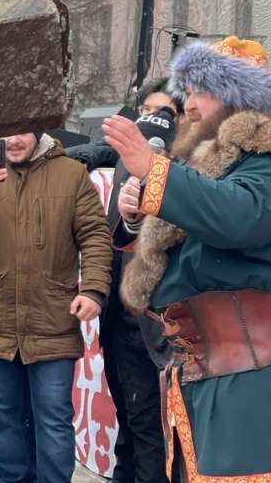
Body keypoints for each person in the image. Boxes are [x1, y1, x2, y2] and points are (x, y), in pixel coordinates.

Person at [105, 36, 271, 480]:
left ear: (237, 96)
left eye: (198, 91)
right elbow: (186, 241)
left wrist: (154, 174)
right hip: (208, 375)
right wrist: (136, 218)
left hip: (254, 381)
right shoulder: (210, 170)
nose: (186, 106)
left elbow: (238, 216)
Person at [0, 129, 112, 483]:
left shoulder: (70, 173)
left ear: (39, 129)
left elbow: (95, 235)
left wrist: (95, 290)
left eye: (23, 130)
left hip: (52, 316)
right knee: (2, 416)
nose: (13, 140)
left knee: (54, 416)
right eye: (4, 132)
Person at [69, 79, 179, 483]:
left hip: (161, 324)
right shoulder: (120, 162)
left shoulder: (186, 173)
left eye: (165, 114)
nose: (153, 124)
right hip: (118, 317)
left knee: (153, 428)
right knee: (129, 423)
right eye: (147, 112)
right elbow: (90, 152)